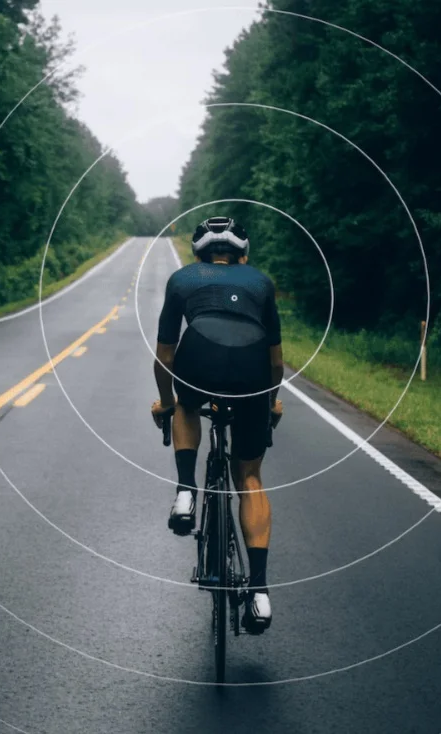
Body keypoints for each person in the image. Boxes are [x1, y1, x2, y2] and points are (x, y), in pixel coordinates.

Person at [150, 216, 284, 634]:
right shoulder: (262, 282)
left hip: (199, 358)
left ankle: (186, 492)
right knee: (250, 477)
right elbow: (276, 363)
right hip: (252, 372)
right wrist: (269, 402)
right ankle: (259, 594)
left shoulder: (182, 279)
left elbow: (165, 357)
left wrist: (169, 404)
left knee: (188, 407)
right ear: (243, 252)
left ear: (199, 252)